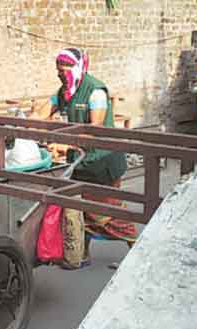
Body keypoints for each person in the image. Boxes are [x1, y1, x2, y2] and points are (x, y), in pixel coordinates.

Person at [34, 48, 137, 267]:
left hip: (102, 160)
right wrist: (26, 122)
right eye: (59, 71)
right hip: (80, 160)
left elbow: (95, 129)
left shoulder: (95, 91)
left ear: (79, 67)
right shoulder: (66, 91)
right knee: (82, 209)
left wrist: (64, 145)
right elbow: (43, 112)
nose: (62, 74)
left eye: (66, 69)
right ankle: (83, 254)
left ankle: (138, 251)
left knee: (109, 211)